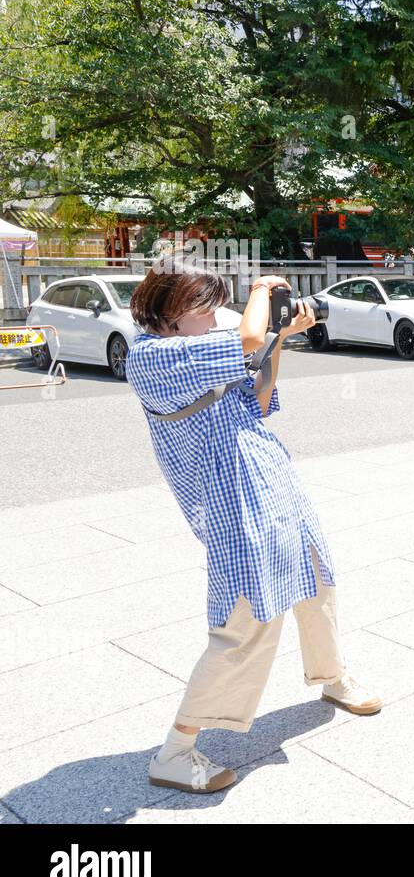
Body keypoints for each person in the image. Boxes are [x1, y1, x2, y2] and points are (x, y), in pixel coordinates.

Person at [125, 255, 382, 794]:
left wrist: (280, 338)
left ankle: (331, 677)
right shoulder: (152, 355)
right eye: (206, 304)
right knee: (246, 622)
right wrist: (264, 289)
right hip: (234, 505)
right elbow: (245, 340)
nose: (216, 313)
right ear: (171, 309)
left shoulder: (200, 346)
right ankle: (175, 750)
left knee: (318, 586)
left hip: (273, 484)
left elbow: (259, 399)